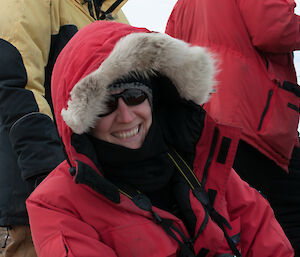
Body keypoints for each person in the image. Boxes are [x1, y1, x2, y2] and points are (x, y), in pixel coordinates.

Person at [25, 21, 293, 257]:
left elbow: (266, 239)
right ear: (83, 119)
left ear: (154, 99)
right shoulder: (56, 204)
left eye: (134, 96)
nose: (127, 117)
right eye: (105, 104)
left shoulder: (202, 163)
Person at [165, 0, 300, 254]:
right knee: (289, 213)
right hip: (254, 119)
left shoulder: (183, 4)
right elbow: (274, 28)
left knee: (236, 221)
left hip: (204, 124)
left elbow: (172, 52)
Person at [0, 1, 128, 256]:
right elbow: (16, 85)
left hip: (104, 196)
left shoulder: (112, 12)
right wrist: (49, 179)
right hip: (37, 201)